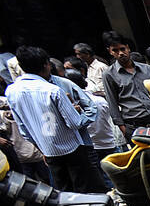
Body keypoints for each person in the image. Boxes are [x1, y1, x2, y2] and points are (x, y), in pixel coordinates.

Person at [5, 46, 98, 192]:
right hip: (73, 148)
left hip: (48, 152)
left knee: (64, 193)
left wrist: (42, 149)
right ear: (46, 65)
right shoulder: (53, 90)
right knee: (85, 191)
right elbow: (75, 123)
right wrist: (80, 113)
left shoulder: (11, 91)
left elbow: (24, 130)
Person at [62, 68, 118, 186]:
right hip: (108, 142)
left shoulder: (73, 105)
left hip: (92, 147)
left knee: (102, 181)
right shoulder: (100, 100)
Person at [101, 31, 150, 136]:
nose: (120, 53)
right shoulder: (109, 74)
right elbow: (112, 103)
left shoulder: (147, 69)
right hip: (135, 125)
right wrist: (123, 129)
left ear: (128, 48)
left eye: (122, 49)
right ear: (110, 52)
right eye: (115, 50)